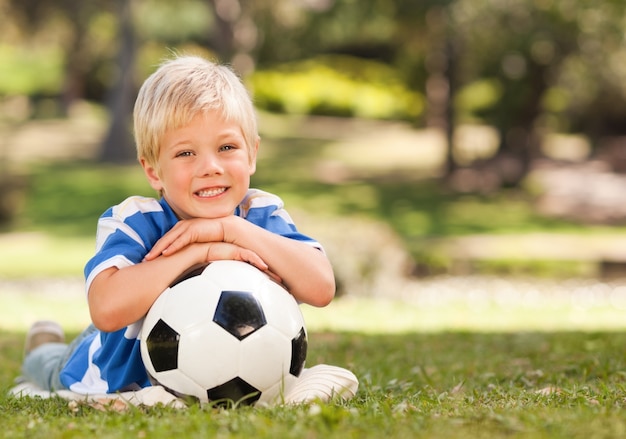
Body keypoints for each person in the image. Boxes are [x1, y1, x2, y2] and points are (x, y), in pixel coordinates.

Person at [19, 55, 358, 404]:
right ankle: (43, 343)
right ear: (153, 171)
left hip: (228, 367)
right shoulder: (137, 220)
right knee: (46, 365)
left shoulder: (260, 214)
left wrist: (231, 230)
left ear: (252, 154)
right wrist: (200, 250)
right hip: (103, 373)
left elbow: (321, 288)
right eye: (185, 153)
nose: (210, 167)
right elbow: (106, 310)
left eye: (227, 147)